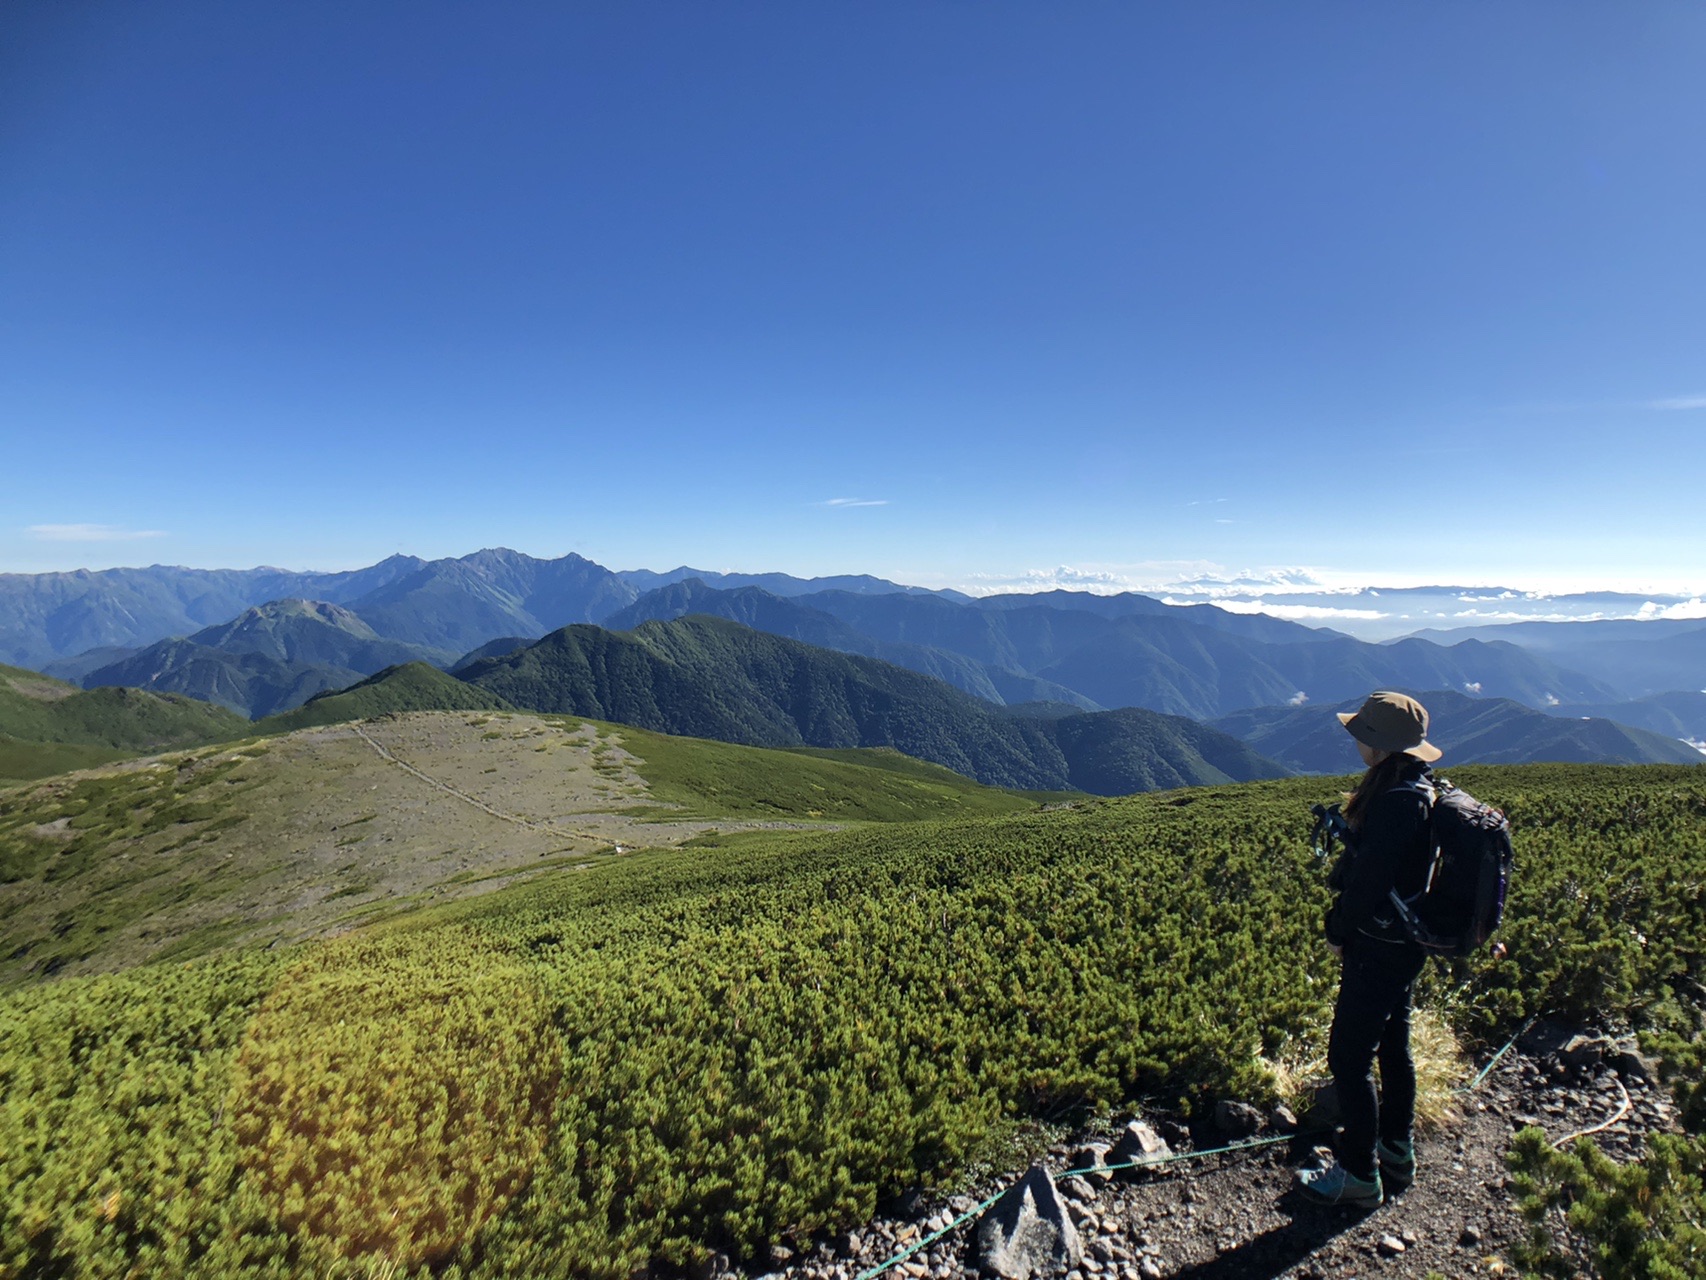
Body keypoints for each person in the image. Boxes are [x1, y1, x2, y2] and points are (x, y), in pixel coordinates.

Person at [1297, 690, 1441, 1208]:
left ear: (1377, 747)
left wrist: (1337, 930)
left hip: (1377, 947)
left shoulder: (1393, 803)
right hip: (1406, 945)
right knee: (1394, 1046)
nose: (1355, 739)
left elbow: (1367, 884)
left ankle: (1359, 1174)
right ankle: (1396, 1153)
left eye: (1362, 733)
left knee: (1349, 1059)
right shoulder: (1421, 790)